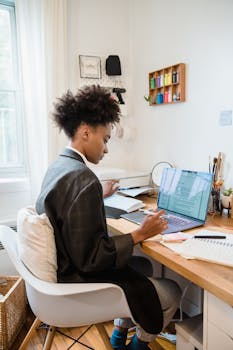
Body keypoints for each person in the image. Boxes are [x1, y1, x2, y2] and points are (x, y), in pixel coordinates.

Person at [36, 85, 181, 350]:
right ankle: (138, 345)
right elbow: (93, 259)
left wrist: (95, 197)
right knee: (172, 291)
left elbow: (66, 210)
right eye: (105, 139)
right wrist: (140, 234)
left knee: (144, 267)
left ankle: (117, 339)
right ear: (85, 132)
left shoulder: (60, 165)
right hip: (77, 280)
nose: (106, 149)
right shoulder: (82, 178)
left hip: (64, 268)